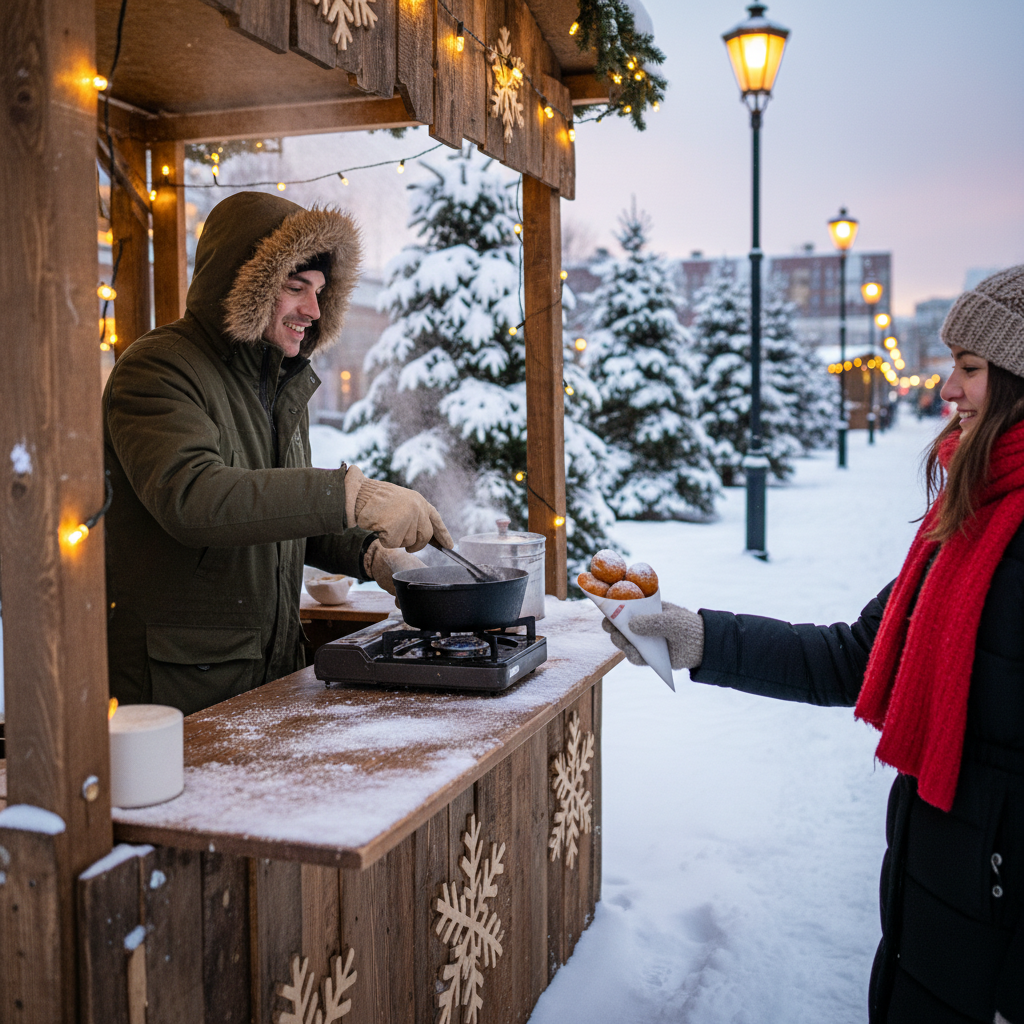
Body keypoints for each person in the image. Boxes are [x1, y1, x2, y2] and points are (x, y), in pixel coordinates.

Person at [605, 265, 1024, 1024]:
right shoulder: (964, 519)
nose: (948, 391)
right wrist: (693, 637)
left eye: (969, 370)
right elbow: (857, 657)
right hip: (936, 907)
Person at [103, 191, 452, 716]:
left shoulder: (280, 381)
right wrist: (352, 495)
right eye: (295, 288)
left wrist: (367, 553)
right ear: (245, 286)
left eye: (318, 292)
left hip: (271, 672)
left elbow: (279, 515)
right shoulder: (157, 369)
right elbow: (196, 499)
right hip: (178, 691)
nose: (312, 310)